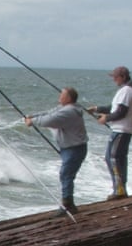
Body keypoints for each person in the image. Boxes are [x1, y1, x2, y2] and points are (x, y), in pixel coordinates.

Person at [24, 86, 88, 214]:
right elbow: (49, 113)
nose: (59, 97)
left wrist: (33, 122)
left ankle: (68, 205)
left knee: (66, 175)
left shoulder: (69, 111)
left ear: (68, 98)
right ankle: (68, 203)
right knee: (66, 175)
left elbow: (50, 120)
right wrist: (32, 116)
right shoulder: (66, 108)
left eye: (62, 95)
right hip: (70, 148)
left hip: (74, 149)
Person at [87, 66, 132, 200]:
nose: (114, 80)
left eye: (115, 77)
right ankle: (120, 189)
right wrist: (97, 109)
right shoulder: (127, 90)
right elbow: (114, 107)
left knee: (114, 159)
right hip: (121, 130)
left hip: (121, 130)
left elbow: (121, 112)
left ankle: (119, 190)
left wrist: (106, 118)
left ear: (122, 77)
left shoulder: (127, 91)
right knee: (115, 158)